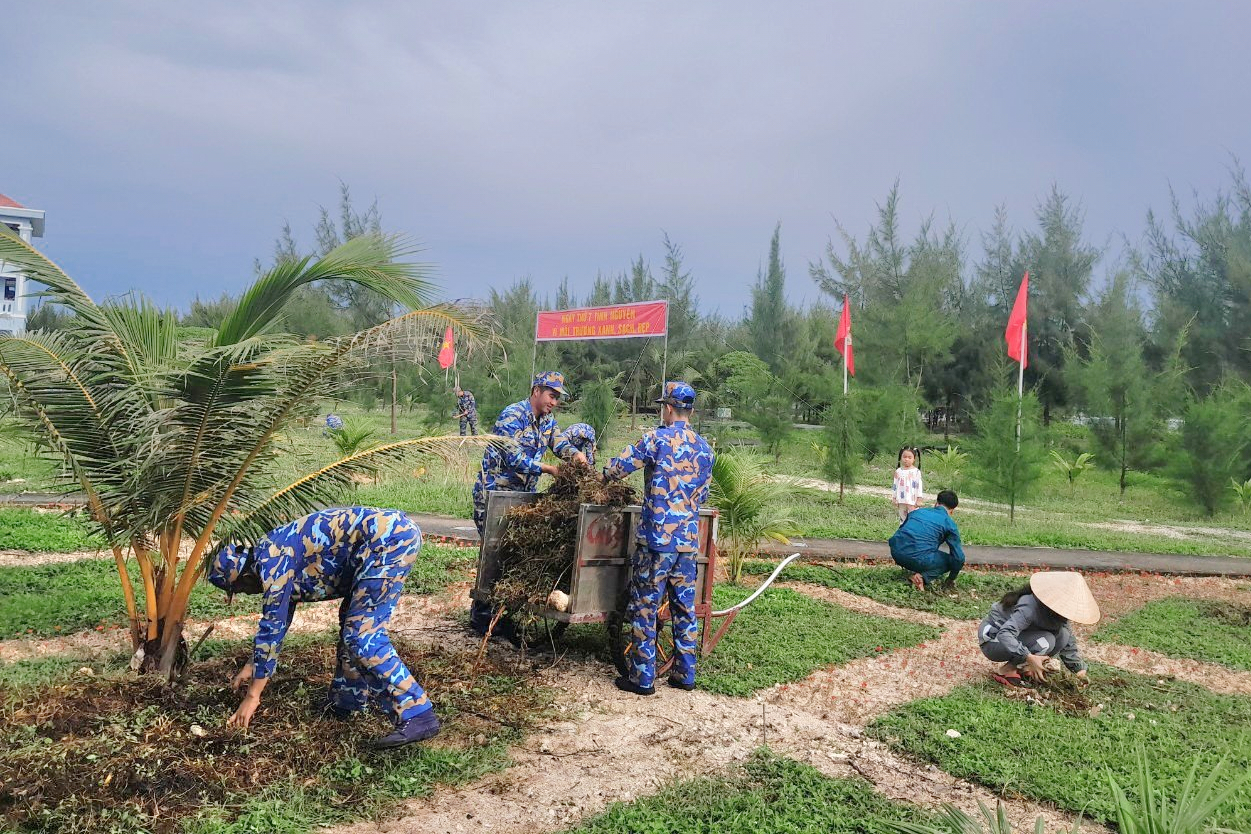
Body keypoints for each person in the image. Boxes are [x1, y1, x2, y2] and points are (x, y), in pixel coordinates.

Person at [207, 507, 439, 749]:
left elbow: (272, 625)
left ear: (243, 577)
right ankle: (346, 701)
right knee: (352, 623)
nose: (246, 593)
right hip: (379, 541)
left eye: (240, 590)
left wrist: (252, 697)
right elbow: (281, 616)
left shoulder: (271, 563)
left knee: (361, 633)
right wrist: (252, 665)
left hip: (388, 541)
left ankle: (417, 714)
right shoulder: (268, 553)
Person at [602, 381, 714, 696]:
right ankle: (684, 675)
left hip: (656, 543)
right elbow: (701, 496)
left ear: (667, 408)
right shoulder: (706, 449)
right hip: (688, 543)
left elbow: (617, 469)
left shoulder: (655, 439)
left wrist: (603, 475)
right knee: (683, 609)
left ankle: (642, 679)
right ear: (689, 410)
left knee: (644, 607)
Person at [469, 371, 587, 637]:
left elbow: (560, 443)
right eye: (551, 395)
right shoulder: (511, 416)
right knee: (494, 553)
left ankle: (503, 615)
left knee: (513, 554)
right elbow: (514, 458)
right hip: (495, 494)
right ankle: (482, 617)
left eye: (558, 398)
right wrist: (548, 469)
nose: (554, 402)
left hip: (522, 498)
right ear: (536, 391)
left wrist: (575, 454)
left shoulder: (547, 421)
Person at [978, 571, 1100, 687]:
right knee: (1046, 641)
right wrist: (1028, 657)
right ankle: (1007, 670)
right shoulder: (1029, 607)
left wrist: (1079, 669)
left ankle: (1024, 669)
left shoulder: (1057, 612)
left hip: (1018, 637)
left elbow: (1068, 641)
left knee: (1063, 635)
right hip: (993, 641)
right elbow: (1005, 633)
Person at [887, 489, 966, 591]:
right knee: (952, 561)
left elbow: (902, 531)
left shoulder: (917, 512)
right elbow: (959, 558)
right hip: (918, 558)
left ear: (936, 503)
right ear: (952, 511)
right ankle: (921, 578)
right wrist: (951, 579)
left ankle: (913, 567)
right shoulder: (950, 524)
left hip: (896, 552)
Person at [892, 446, 923, 523]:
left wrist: (919, 499)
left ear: (914, 459)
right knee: (902, 519)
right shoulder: (898, 471)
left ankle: (912, 533)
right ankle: (903, 532)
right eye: (904, 457)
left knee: (913, 519)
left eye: (909, 457)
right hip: (901, 500)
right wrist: (894, 498)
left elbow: (919, 486)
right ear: (901, 458)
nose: (906, 459)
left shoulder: (916, 472)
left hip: (912, 500)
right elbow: (895, 485)